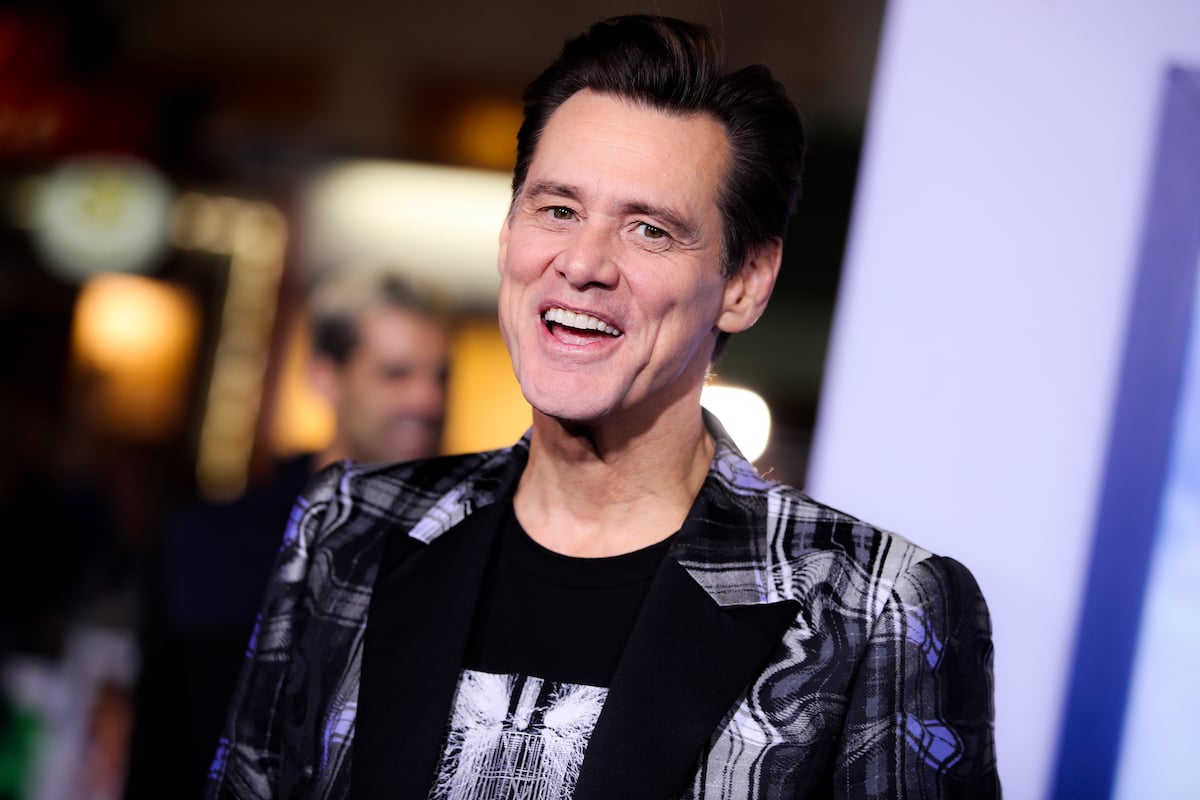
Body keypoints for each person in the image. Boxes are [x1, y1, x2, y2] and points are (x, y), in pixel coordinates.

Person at [205, 15, 999, 799]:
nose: (583, 262)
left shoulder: (872, 607)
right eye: (557, 209)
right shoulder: (348, 528)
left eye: (650, 230)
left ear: (745, 283)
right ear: (509, 231)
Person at [124, 266, 452, 800]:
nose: (427, 401)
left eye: (439, 377)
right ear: (325, 377)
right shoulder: (210, 544)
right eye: (396, 374)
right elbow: (156, 743)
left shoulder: (458, 554)